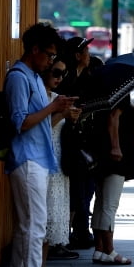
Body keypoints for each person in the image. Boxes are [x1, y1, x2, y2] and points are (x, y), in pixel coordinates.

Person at [5, 23, 77, 267]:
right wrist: (52, 107)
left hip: (38, 158)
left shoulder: (34, 76)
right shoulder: (19, 78)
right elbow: (20, 122)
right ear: (34, 50)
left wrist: (58, 109)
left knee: (28, 225)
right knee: (35, 224)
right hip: (26, 158)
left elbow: (41, 120)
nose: (50, 61)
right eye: (47, 54)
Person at [40, 56, 81, 267]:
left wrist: (72, 119)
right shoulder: (39, 97)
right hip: (42, 163)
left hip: (58, 164)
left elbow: (62, 130)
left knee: (49, 224)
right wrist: (63, 116)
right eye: (56, 72)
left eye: (63, 74)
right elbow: (39, 130)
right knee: (39, 224)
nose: (59, 78)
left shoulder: (58, 99)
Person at [91, 97, 134, 265]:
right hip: (116, 155)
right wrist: (116, 146)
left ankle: (99, 249)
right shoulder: (122, 89)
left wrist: (132, 114)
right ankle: (109, 250)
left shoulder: (107, 89)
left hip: (102, 150)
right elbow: (113, 116)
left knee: (101, 202)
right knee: (110, 205)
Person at [56, 36, 96, 249]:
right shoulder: (66, 76)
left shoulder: (90, 74)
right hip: (66, 135)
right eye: (86, 51)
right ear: (77, 55)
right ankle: (67, 234)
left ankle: (79, 230)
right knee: (73, 187)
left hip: (84, 136)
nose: (90, 55)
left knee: (84, 186)